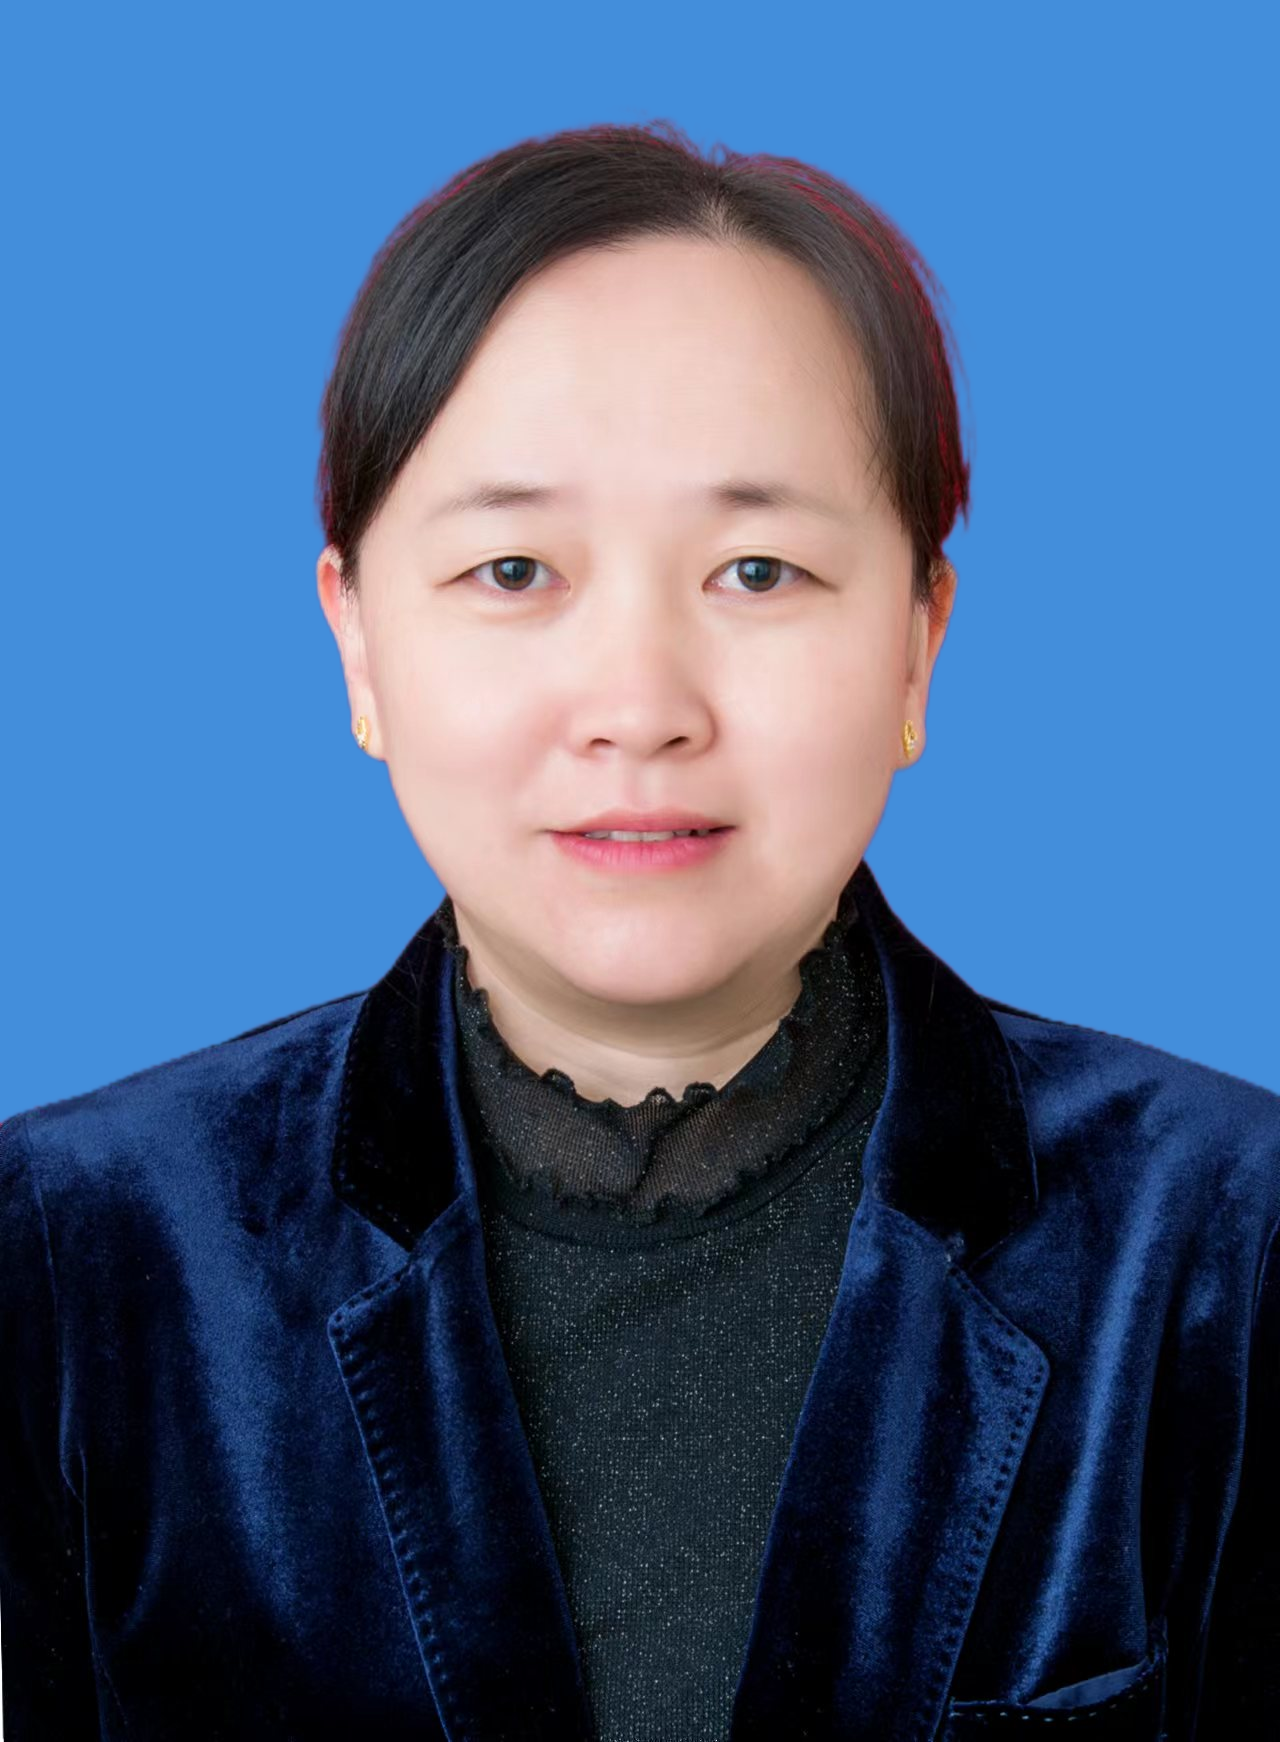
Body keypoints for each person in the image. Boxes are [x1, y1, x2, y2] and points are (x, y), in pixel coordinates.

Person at [1, 120, 1275, 1742]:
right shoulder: (68, 1258)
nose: (639, 705)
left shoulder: (1224, 1244)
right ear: (360, 645)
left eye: (758, 569)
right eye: (513, 567)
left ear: (916, 643)